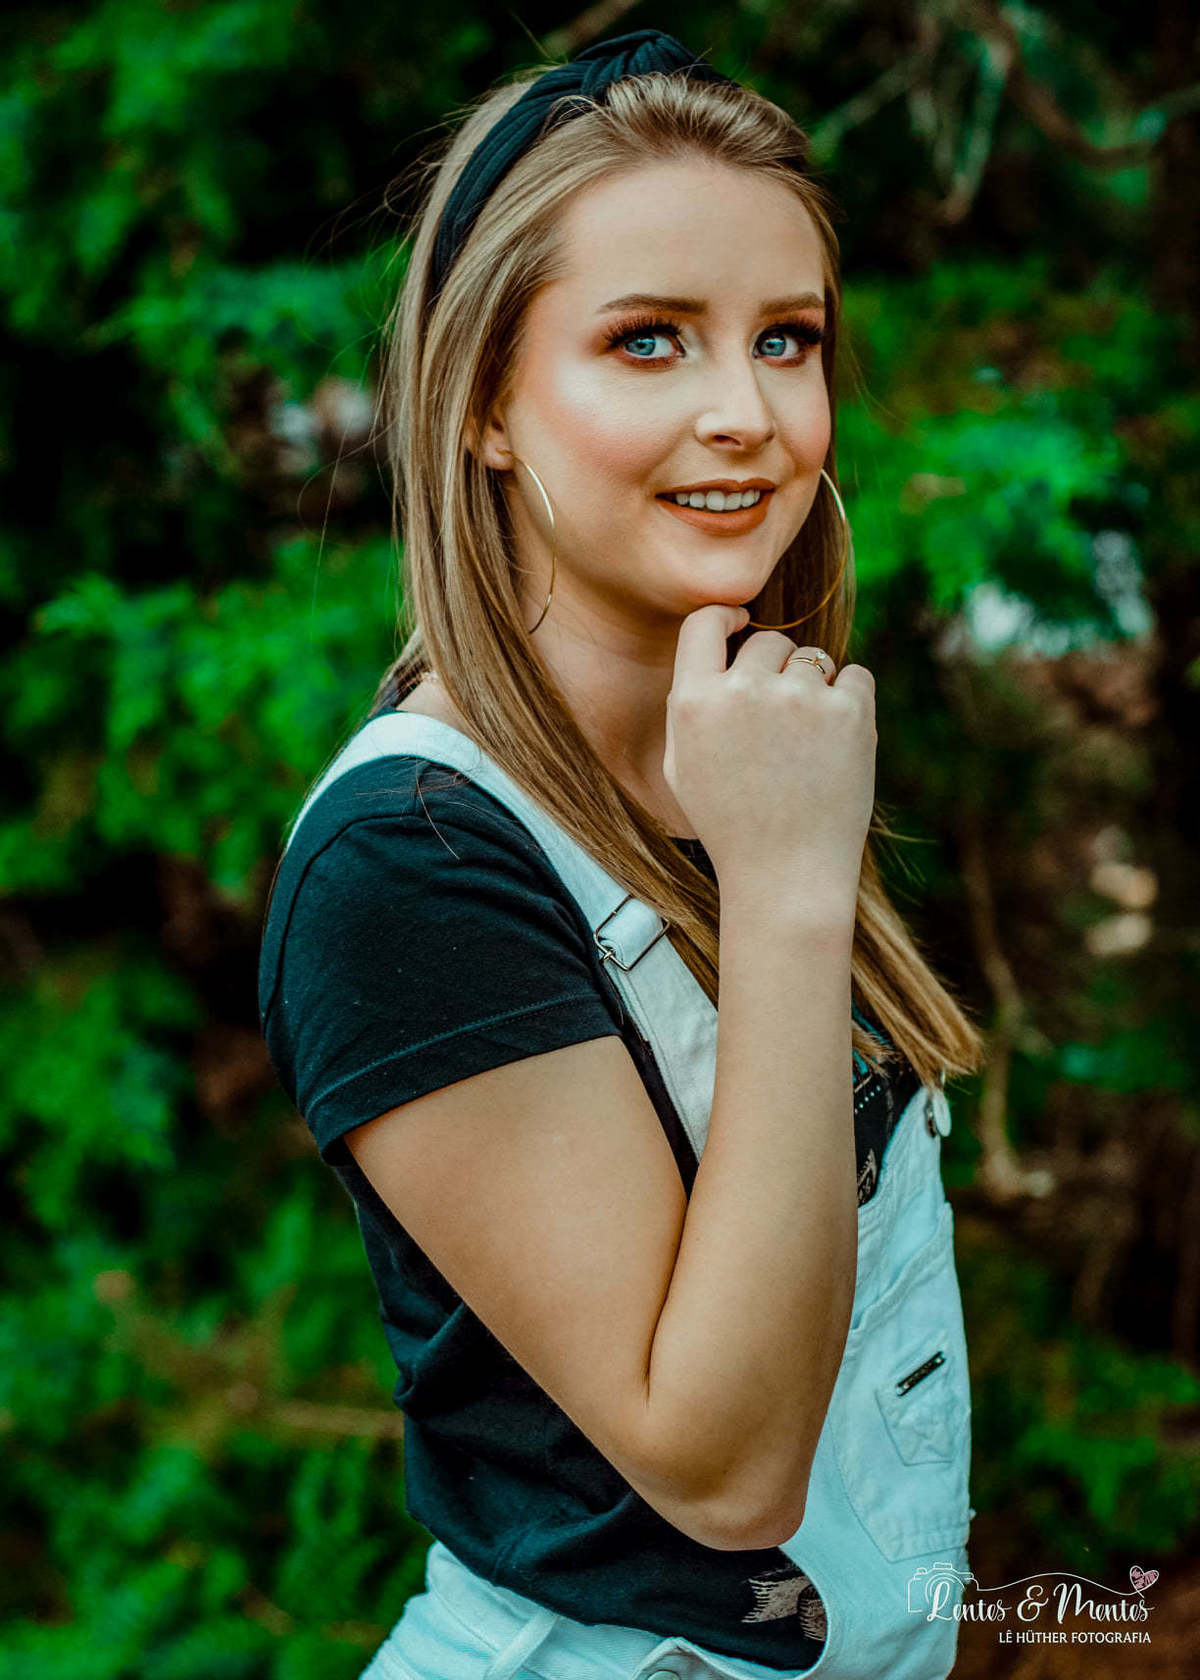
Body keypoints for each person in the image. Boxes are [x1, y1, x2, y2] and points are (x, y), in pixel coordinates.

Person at [258, 28, 985, 1680]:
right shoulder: (410, 864)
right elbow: (723, 1471)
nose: (747, 415)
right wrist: (787, 894)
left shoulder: (737, 750)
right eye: (648, 340)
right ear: (486, 408)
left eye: (786, 339)